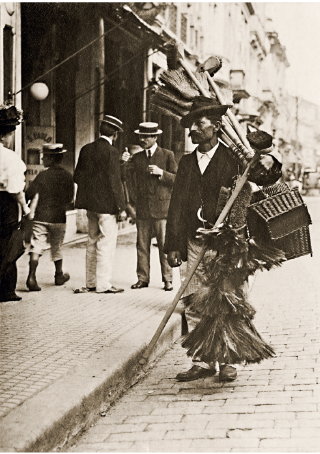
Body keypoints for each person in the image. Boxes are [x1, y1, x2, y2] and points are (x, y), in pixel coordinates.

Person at [164, 96, 282, 382]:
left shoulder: (235, 159)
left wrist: (269, 159)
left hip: (228, 244)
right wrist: (172, 245)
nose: (192, 130)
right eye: (191, 125)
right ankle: (202, 361)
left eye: (199, 124)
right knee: (193, 300)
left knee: (228, 300)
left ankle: (230, 360)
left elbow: (267, 178)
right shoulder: (187, 162)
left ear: (216, 126)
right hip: (194, 241)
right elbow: (177, 204)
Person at [73, 115, 127, 294]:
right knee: (106, 244)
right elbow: (115, 182)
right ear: (115, 134)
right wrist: (121, 207)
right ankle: (103, 284)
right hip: (107, 207)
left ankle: (90, 282)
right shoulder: (112, 152)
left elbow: (77, 177)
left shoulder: (86, 149)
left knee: (91, 241)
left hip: (90, 205)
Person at [122, 122, 177, 291]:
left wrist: (162, 173)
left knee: (164, 246)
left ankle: (168, 279)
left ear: (155, 137)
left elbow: (177, 179)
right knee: (142, 246)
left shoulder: (167, 155)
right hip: (143, 209)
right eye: (140, 136)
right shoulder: (137, 158)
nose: (142, 139)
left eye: (146, 137)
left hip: (162, 210)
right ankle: (142, 279)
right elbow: (125, 178)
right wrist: (123, 163)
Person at [25, 144, 74, 291]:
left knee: (36, 246)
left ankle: (32, 277)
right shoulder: (67, 176)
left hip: (41, 216)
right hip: (59, 218)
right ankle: (59, 275)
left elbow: (29, 193)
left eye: (45, 156)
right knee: (56, 248)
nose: (42, 159)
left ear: (52, 158)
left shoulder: (42, 175)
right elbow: (70, 199)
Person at [0, 104, 30, 302]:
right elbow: (16, 189)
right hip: (5, 205)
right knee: (8, 247)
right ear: (5, 136)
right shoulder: (9, 157)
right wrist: (26, 208)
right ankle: (6, 291)